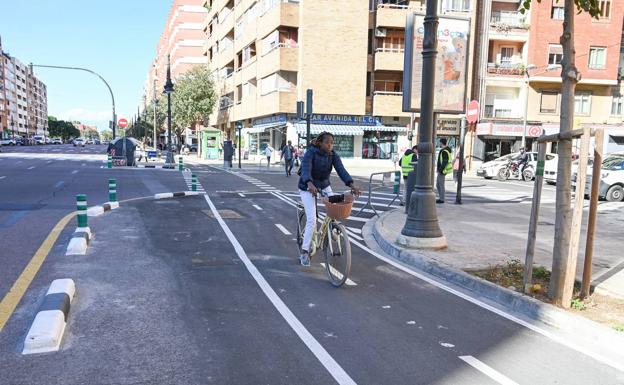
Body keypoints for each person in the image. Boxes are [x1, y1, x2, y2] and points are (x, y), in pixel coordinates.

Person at [298, 132, 361, 267]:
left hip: (324, 185)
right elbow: (305, 169)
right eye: (327, 142)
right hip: (307, 187)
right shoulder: (311, 152)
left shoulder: (332, 155)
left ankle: (333, 228)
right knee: (312, 220)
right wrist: (309, 183)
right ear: (320, 143)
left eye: (332, 143)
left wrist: (352, 185)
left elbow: (341, 170)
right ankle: (304, 251)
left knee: (335, 210)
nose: (330, 145)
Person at [436, 138, 453, 204]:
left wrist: (440, 170)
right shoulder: (445, 150)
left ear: (441, 143)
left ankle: (442, 199)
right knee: (438, 184)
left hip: (443, 170)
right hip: (442, 170)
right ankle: (441, 198)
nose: (439, 144)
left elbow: (444, 162)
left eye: (440, 142)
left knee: (440, 184)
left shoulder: (444, 151)